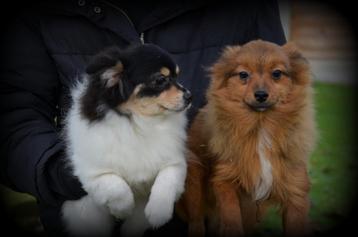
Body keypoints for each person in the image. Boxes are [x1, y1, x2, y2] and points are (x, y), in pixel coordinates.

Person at [0, 0, 286, 236]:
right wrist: (67, 173)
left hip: (211, 212)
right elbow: (16, 112)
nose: (180, 92)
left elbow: (278, 97)